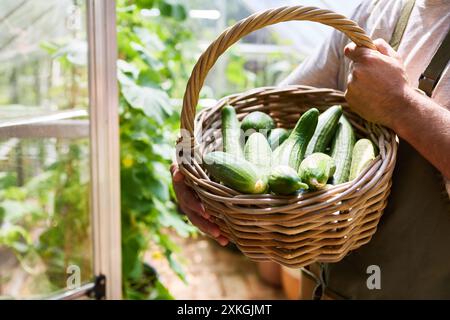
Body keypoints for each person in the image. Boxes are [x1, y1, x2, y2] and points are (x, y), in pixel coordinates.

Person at [171, 0, 450, 299]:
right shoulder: (376, 10)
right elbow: (272, 116)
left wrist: (401, 105)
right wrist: (187, 165)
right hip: (329, 285)